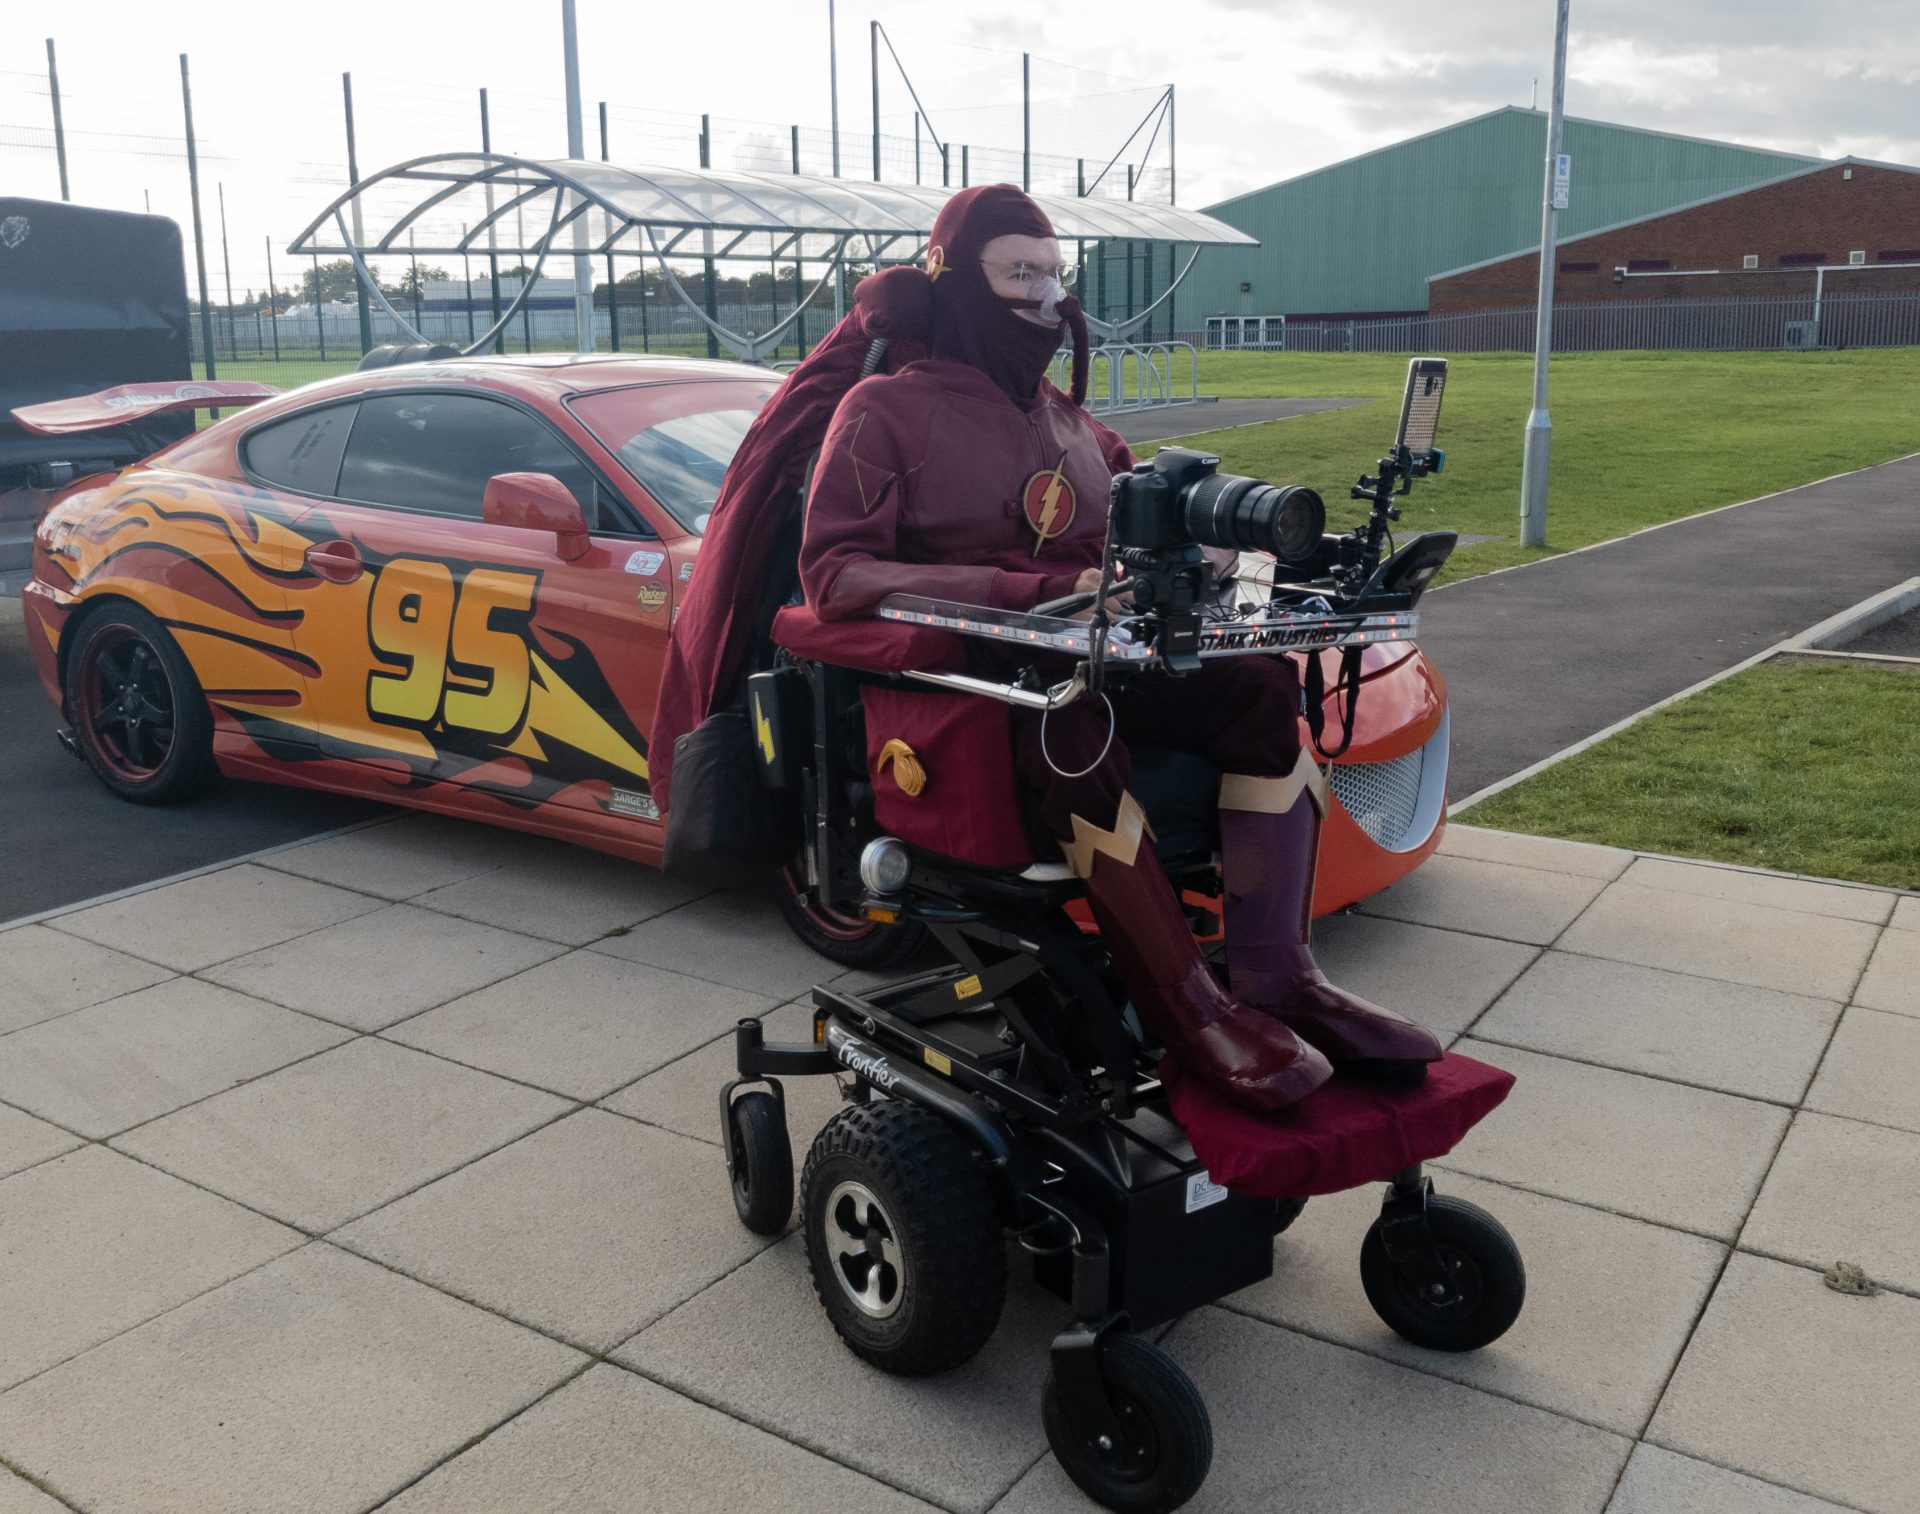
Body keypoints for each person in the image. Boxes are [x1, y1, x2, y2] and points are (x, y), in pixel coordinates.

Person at [799, 184, 1441, 1113]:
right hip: (972, 686)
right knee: (1075, 723)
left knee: (1261, 687)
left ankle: (1278, 975)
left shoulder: (1076, 427)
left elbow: (1146, 536)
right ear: (951, 281)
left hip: (1091, 660)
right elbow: (836, 574)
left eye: (1055, 275)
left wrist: (1217, 548)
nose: (1045, 297)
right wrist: (1023, 594)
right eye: (1018, 272)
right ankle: (1188, 1008)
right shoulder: (880, 412)